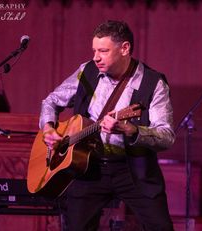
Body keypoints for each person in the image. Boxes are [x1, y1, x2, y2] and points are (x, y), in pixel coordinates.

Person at [40, 20, 175, 231]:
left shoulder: (152, 83)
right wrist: (48, 128)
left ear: (125, 48)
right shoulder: (87, 71)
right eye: (94, 50)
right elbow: (51, 101)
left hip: (132, 169)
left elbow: (166, 135)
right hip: (88, 165)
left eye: (103, 51)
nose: (96, 57)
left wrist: (131, 130)